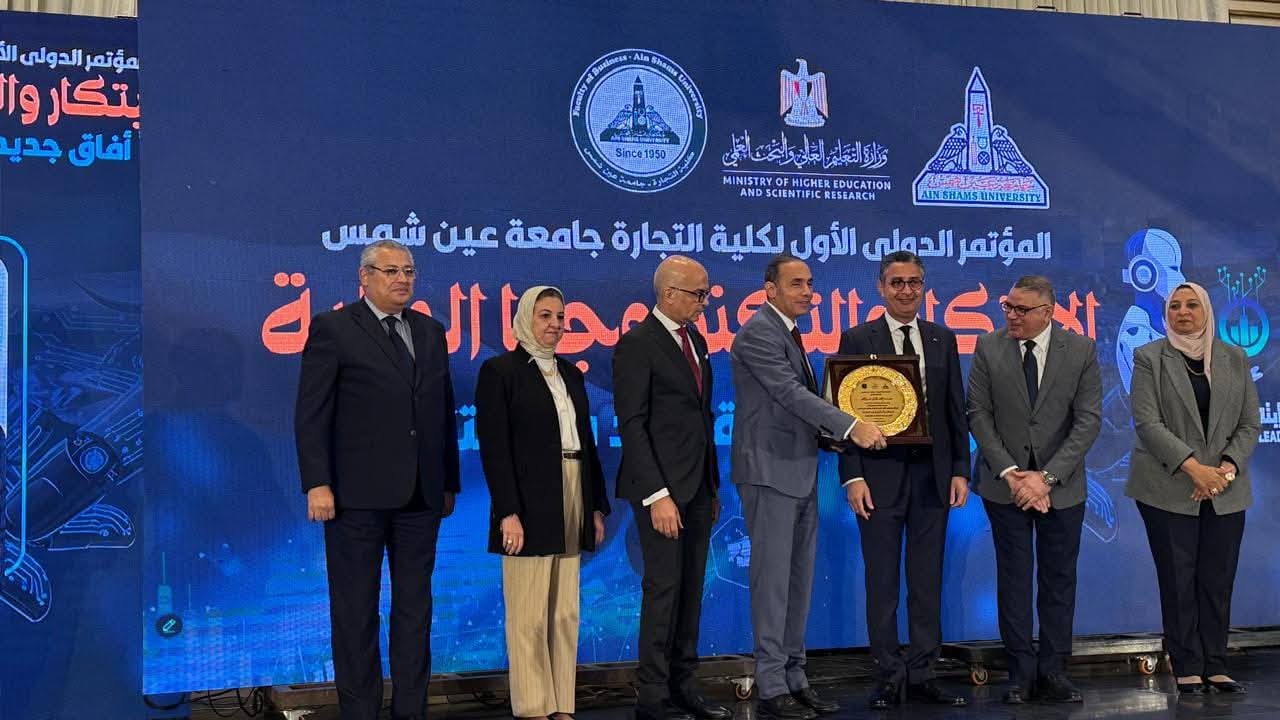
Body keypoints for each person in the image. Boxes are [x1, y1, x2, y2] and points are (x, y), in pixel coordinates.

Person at [294, 239, 459, 720]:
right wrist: (317, 482)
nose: (402, 279)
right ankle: (361, 711)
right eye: (391, 271)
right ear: (364, 277)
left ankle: (411, 711)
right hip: (354, 498)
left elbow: (441, 411)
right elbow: (312, 412)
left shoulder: (430, 331)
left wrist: (447, 481)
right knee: (355, 612)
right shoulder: (334, 328)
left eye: (409, 271)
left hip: (421, 496)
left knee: (415, 611)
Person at [730, 254, 883, 720]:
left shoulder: (789, 333)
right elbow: (788, 393)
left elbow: (793, 409)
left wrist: (825, 437)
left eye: (810, 283)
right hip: (769, 473)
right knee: (773, 584)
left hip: (799, 470)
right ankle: (772, 684)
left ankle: (795, 678)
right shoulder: (758, 332)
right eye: (796, 283)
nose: (808, 292)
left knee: (798, 583)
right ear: (769, 289)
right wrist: (850, 425)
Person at [837, 250, 969, 710]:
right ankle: (890, 675)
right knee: (882, 581)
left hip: (933, 476)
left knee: (926, 580)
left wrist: (960, 468)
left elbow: (955, 409)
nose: (906, 290)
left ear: (924, 287)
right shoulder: (858, 337)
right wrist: (852, 476)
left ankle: (924, 672)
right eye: (897, 282)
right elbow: (845, 414)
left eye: (914, 282)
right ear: (881, 288)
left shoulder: (942, 338)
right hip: (878, 477)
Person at [475, 285, 609, 720]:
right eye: (545, 315)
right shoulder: (500, 371)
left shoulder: (570, 373)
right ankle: (534, 706)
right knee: (528, 612)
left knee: (564, 611)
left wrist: (595, 506)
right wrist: (508, 512)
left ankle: (561, 704)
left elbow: (586, 442)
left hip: (573, 487)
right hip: (528, 500)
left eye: (560, 316)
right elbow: (495, 448)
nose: (555, 324)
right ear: (525, 319)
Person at [967, 275, 1101, 704]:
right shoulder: (988, 347)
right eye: (1008, 306)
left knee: (1059, 579)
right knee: (1014, 578)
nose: (1011, 315)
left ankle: (1054, 670)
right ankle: (1020, 672)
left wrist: (1046, 478)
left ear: (1048, 312)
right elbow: (978, 415)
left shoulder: (1080, 350)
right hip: (1004, 486)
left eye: (1021, 309)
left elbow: (1088, 421)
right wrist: (1012, 473)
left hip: (1061, 487)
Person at [1126, 282, 1259, 695]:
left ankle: (1215, 663)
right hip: (1167, 486)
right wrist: (1195, 470)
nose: (1183, 312)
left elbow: (1249, 424)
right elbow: (1148, 424)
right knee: (1178, 579)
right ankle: (1186, 664)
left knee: (1217, 580)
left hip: (1225, 487)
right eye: (1175, 306)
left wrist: (1225, 470)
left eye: (1191, 305)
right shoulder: (1149, 357)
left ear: (1206, 311)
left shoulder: (1234, 358)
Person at [613, 257, 731, 720]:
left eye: (706, 293)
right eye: (699, 294)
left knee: (691, 591)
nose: (705, 303)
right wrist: (657, 495)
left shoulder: (695, 341)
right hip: (659, 492)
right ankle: (653, 697)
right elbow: (633, 424)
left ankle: (684, 688)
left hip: (697, 488)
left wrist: (711, 486)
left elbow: (701, 419)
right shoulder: (637, 344)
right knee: (663, 590)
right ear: (668, 293)